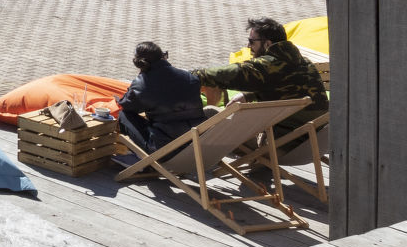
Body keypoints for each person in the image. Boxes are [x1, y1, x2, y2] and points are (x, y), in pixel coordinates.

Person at [192, 16, 328, 138]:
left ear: (267, 44)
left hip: (281, 143)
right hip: (312, 140)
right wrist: (249, 95)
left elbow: (224, 74)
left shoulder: (267, 65)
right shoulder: (304, 62)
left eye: (252, 42)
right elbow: (280, 84)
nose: (248, 46)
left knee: (210, 113)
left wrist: (188, 76)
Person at [115, 41, 206, 153]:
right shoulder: (189, 76)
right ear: (163, 57)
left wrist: (138, 80)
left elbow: (127, 106)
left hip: (167, 149)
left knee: (124, 115)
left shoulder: (142, 83)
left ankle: (141, 160)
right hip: (199, 143)